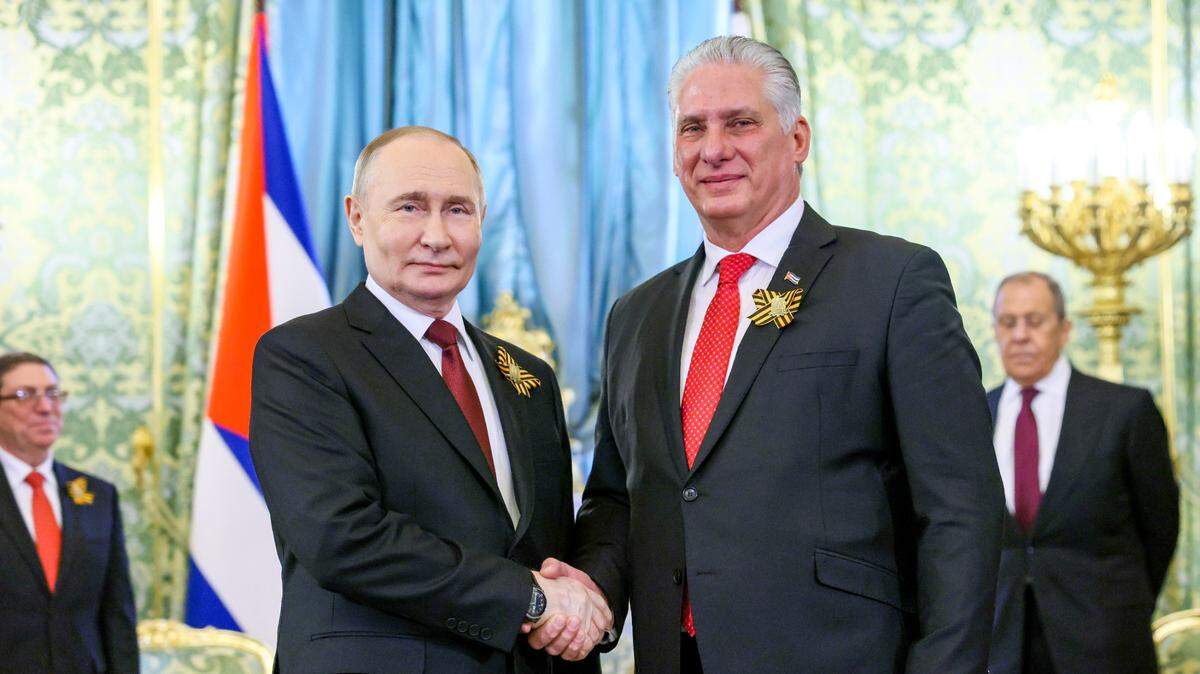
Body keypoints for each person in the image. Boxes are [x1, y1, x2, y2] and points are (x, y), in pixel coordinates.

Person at [532, 36, 1005, 673]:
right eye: (692, 128)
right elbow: (619, 499)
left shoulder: (893, 281)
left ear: (798, 138)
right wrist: (590, 586)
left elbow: (960, 509)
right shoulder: (636, 315)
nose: (714, 149)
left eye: (741, 123)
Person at [248, 126, 607, 673]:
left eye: (458, 210)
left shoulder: (527, 377)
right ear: (357, 217)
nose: (437, 236)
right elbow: (339, 537)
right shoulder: (304, 356)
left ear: (482, 222)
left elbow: (549, 548)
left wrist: (584, 608)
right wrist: (528, 598)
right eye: (410, 208)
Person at [986, 272, 1178, 674]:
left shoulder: (1124, 411)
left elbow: (1159, 528)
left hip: (1104, 640)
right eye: (1008, 323)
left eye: (1034, 321)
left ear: (1065, 329)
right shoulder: (973, 415)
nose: (1020, 335)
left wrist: (1125, 606)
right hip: (1002, 643)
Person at [0, 351, 138, 674]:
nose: (45, 407)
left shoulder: (97, 496)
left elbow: (117, 614)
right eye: (24, 396)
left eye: (53, 393)